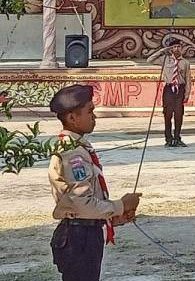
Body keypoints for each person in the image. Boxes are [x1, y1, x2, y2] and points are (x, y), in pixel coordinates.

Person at [48, 85, 142, 281]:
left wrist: (114, 216)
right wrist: (120, 205)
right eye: (89, 111)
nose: (94, 116)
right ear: (72, 118)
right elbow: (82, 203)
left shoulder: (79, 146)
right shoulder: (72, 152)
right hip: (79, 237)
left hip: (85, 231)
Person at [147, 39, 191, 147]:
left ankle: (177, 138)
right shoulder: (165, 60)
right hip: (169, 89)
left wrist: (187, 94)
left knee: (179, 115)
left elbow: (188, 79)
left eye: (178, 47)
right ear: (171, 49)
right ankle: (168, 138)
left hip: (180, 89)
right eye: (174, 47)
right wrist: (163, 50)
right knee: (167, 114)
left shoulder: (185, 62)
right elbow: (150, 60)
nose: (177, 49)